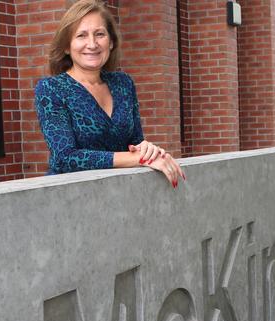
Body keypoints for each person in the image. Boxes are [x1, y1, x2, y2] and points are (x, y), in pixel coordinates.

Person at [34, 0, 184, 188]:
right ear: (66, 46)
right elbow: (65, 158)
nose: (92, 44)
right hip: (70, 198)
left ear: (111, 42)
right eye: (81, 35)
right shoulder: (51, 89)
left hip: (118, 193)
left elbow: (134, 144)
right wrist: (138, 158)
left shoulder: (123, 84)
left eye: (100, 34)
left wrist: (147, 151)